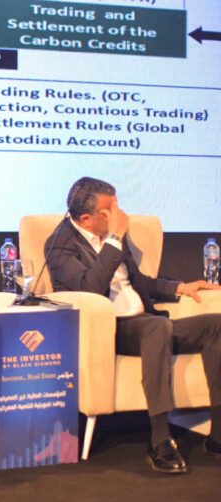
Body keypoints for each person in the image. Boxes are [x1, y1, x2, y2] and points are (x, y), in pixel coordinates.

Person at [45, 176, 221, 474]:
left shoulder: (112, 233)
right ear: (86, 219)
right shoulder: (61, 245)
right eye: (110, 211)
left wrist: (180, 287)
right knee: (156, 328)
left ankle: (217, 437)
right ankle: (160, 439)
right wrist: (114, 239)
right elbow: (90, 288)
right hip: (110, 331)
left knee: (215, 324)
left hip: (148, 324)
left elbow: (138, 283)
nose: (120, 215)